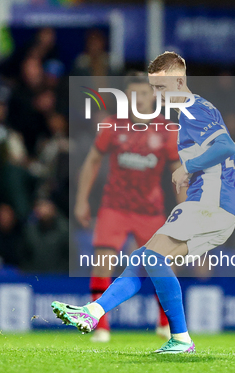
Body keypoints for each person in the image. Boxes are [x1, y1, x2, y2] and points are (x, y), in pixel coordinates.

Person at [51, 51, 235, 354]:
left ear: (179, 80)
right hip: (217, 210)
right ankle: (96, 314)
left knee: (149, 257)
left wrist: (187, 167)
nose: (157, 95)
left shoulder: (193, 110)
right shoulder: (201, 110)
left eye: (161, 88)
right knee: (143, 259)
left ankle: (179, 337)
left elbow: (227, 147)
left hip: (209, 204)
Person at [74, 73, 184, 342]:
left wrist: (184, 209)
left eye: (144, 94)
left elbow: (178, 171)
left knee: (165, 264)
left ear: (154, 97)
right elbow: (91, 162)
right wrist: (81, 200)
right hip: (115, 206)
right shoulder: (112, 126)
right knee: (102, 261)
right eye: (133, 95)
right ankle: (100, 326)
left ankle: (164, 323)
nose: (139, 99)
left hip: (150, 209)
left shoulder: (167, 130)